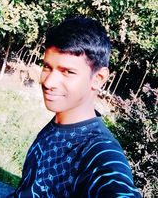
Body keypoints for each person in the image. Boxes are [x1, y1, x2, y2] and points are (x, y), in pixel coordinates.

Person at [11, 17, 142, 198]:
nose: (49, 82)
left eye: (68, 72)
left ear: (98, 79)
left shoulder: (99, 151)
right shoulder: (58, 123)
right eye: (47, 67)